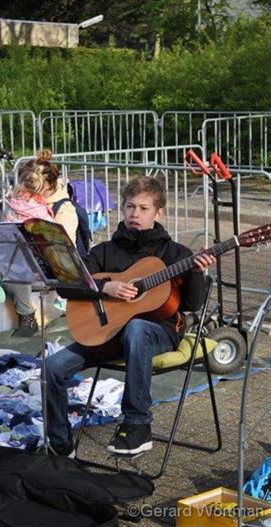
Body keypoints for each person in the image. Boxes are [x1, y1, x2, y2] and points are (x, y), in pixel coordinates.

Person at [46, 176, 216, 457]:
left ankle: (137, 425)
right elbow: (67, 285)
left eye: (143, 208)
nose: (135, 213)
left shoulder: (176, 254)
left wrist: (197, 273)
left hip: (157, 332)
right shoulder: (104, 252)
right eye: (129, 206)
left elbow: (192, 304)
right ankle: (61, 446)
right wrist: (105, 287)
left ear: (158, 213)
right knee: (52, 367)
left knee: (137, 326)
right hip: (106, 335)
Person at [0, 150, 78, 338]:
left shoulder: (64, 209)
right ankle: (4, 307)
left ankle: (27, 316)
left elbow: (63, 256)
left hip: (47, 268)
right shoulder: (19, 201)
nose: (27, 191)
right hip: (11, 258)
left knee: (14, 266)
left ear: (48, 185)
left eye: (33, 187)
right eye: (26, 185)